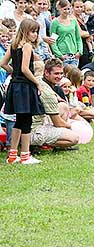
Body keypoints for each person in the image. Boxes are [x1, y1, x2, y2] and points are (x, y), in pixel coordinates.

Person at [1, 19, 44, 164]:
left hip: (15, 85)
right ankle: (25, 155)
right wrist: (37, 82)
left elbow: (2, 63)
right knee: (26, 120)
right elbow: (26, 69)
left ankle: (12, 155)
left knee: (19, 120)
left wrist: (14, 72)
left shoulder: (13, 45)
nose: (35, 35)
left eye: (37, 32)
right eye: (33, 31)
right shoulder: (27, 46)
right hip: (25, 86)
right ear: (25, 31)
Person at [31, 58, 79, 149]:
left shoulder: (39, 80)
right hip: (34, 129)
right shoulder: (48, 94)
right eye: (56, 73)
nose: (59, 76)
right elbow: (57, 123)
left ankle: (58, 140)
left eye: (61, 73)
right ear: (46, 73)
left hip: (38, 119)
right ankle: (39, 143)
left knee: (63, 106)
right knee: (74, 138)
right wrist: (71, 126)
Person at [50, 0, 83, 66]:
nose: (67, 11)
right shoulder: (55, 22)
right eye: (65, 9)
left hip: (74, 55)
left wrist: (79, 51)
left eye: (68, 9)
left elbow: (78, 38)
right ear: (59, 9)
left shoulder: (73, 21)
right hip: (62, 55)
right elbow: (53, 41)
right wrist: (59, 55)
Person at [72, 0, 91, 69]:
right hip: (78, 46)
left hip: (85, 45)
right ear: (72, 7)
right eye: (77, 7)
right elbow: (80, 33)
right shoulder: (72, 18)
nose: (79, 9)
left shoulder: (81, 17)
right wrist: (91, 33)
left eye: (81, 7)